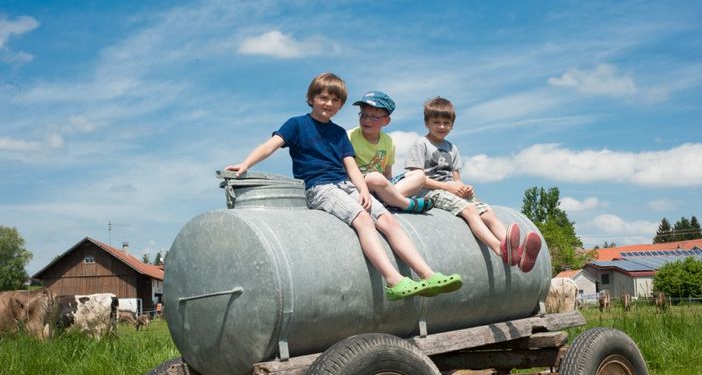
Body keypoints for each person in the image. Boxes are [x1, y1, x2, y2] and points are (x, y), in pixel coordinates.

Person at [225, 73, 462, 300]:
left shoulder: (339, 133)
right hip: (319, 187)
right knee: (363, 219)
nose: (328, 103)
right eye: (323, 98)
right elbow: (271, 145)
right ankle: (393, 279)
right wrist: (245, 164)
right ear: (311, 99)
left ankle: (427, 274)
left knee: (389, 220)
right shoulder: (296, 124)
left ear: (340, 106)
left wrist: (363, 190)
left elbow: (351, 166)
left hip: (345, 183)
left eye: (335, 100)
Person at [405, 97, 542, 272]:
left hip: (451, 191)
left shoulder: (452, 148)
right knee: (470, 211)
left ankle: (519, 253)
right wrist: (448, 187)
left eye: (446, 123)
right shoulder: (421, 144)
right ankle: (499, 249)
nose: (441, 126)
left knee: (487, 211)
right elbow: (414, 177)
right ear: (427, 123)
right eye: (436, 122)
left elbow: (456, 178)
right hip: (429, 192)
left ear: (452, 125)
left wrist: (464, 188)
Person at [348, 91, 433, 213]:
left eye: (374, 117)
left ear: (386, 121)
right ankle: (405, 204)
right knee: (375, 178)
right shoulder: (349, 136)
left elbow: (387, 174)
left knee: (419, 175)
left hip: (382, 185)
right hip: (361, 183)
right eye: (363, 115)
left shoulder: (388, 142)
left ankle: (388, 200)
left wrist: (389, 187)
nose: (367, 120)